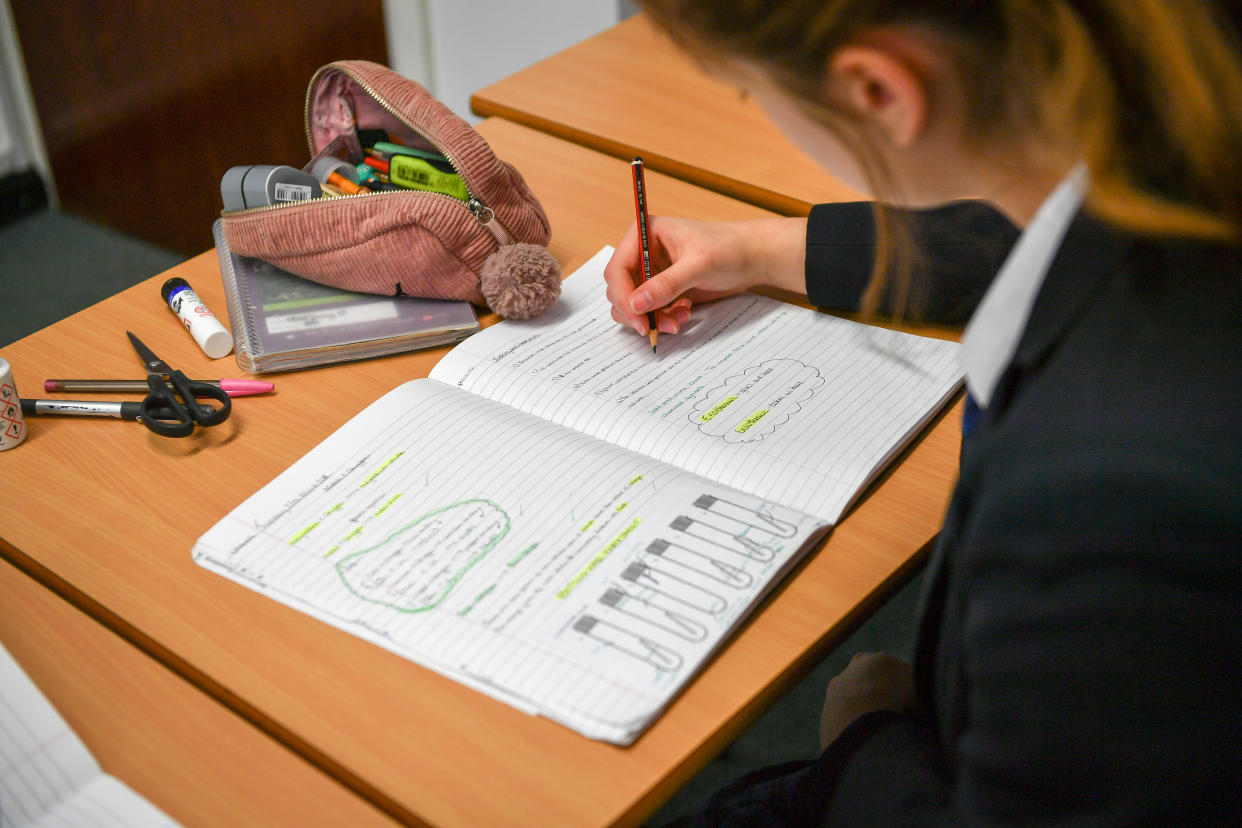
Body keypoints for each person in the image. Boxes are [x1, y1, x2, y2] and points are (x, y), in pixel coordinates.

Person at [602, 1, 1242, 824]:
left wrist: (865, 739)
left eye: (743, 91)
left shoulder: (1109, 500)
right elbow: (1045, 227)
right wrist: (763, 250)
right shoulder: (1189, 94)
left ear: (876, 90)